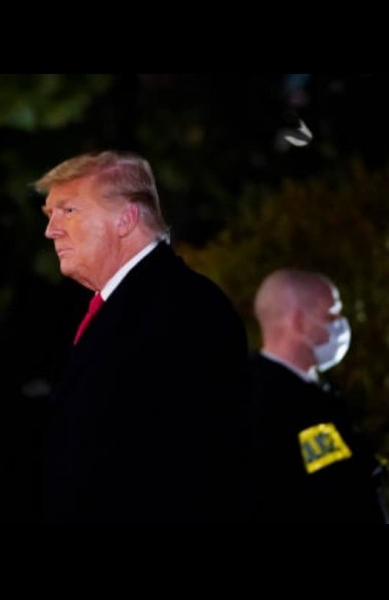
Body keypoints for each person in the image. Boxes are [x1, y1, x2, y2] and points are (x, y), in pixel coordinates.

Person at [35, 150, 251, 524]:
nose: (51, 230)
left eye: (68, 210)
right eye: (50, 214)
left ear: (126, 219)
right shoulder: (129, 304)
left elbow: (188, 463)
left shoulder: (184, 308)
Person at [250, 269, 389, 523]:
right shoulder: (259, 404)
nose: (341, 323)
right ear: (299, 322)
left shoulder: (314, 395)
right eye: (331, 314)